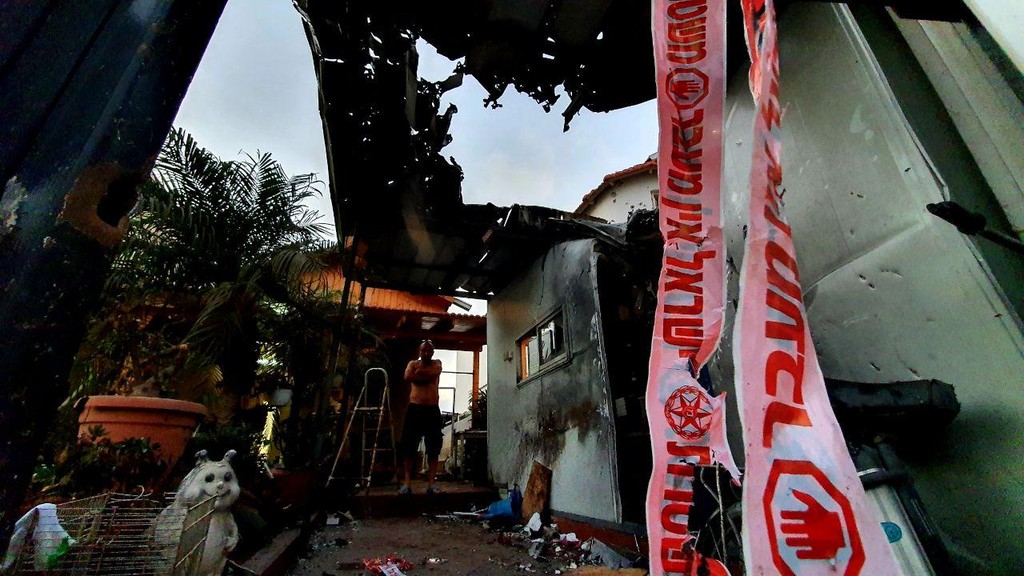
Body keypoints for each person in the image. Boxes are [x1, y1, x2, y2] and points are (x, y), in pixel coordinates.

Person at [397, 340, 443, 495]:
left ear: (433, 352)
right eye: (424, 350)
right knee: (408, 446)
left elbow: (432, 373)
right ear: (419, 351)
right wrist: (419, 374)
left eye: (429, 351)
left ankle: (431, 484)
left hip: (432, 409)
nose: (426, 353)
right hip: (415, 408)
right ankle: (407, 483)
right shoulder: (412, 363)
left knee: (434, 446)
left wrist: (419, 373)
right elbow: (407, 376)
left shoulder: (437, 363)